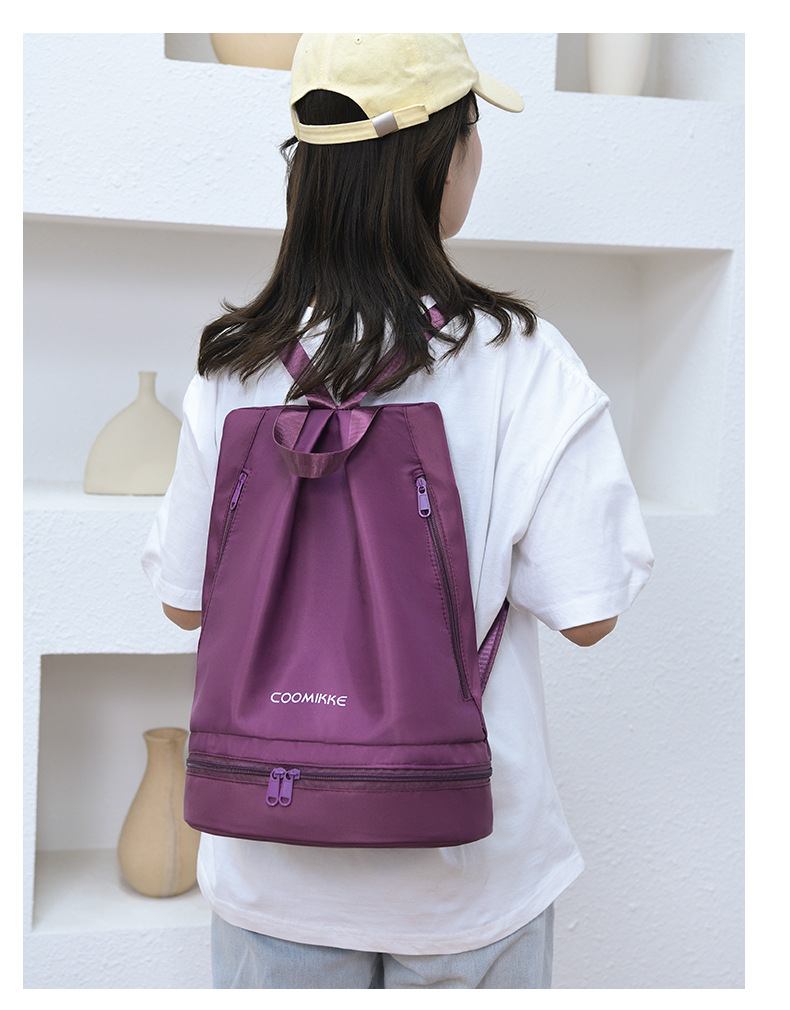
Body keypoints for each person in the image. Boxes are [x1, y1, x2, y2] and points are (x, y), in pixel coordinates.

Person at [142, 33, 653, 990]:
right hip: (465, 876)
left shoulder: (234, 364)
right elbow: (589, 612)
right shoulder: (523, 359)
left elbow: (182, 602)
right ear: (439, 159)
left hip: (269, 860)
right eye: (472, 130)